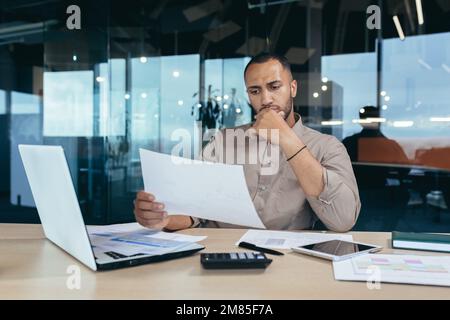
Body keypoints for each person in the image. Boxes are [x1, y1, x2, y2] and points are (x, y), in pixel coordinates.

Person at [134, 53, 361, 232]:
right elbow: (196, 212)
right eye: (255, 91)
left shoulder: (327, 146)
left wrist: (288, 139)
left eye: (274, 87)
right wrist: (162, 218)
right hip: (218, 253)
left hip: (286, 262)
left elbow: (343, 220)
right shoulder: (223, 141)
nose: (265, 99)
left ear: (292, 88)